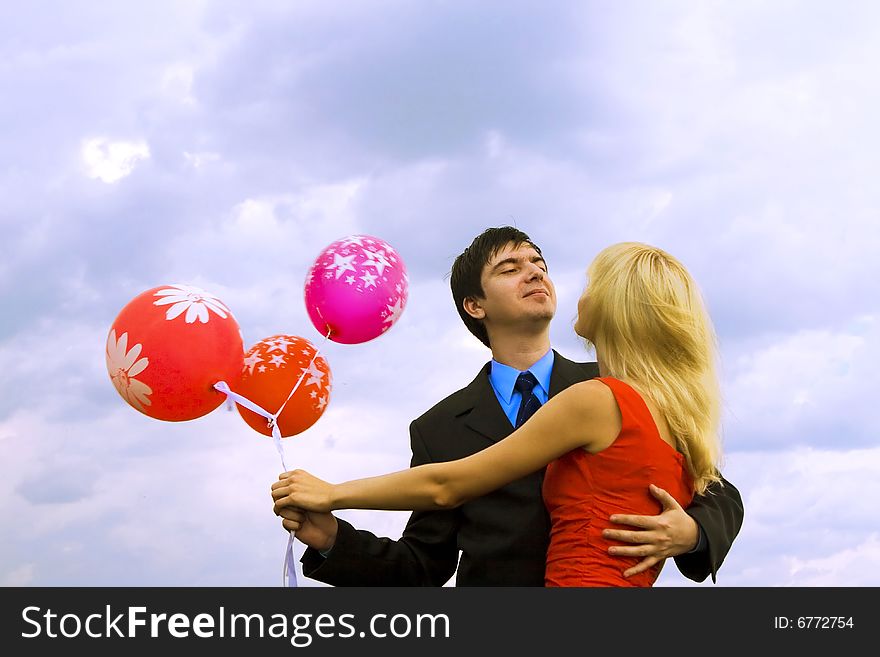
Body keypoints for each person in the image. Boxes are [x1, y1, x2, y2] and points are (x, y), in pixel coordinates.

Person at [273, 228, 743, 586]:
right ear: (475, 305)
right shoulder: (438, 428)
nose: (536, 272)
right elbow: (424, 562)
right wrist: (335, 539)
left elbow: (713, 484)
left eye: (539, 262)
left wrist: (694, 533)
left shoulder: (619, 390)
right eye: (511, 267)